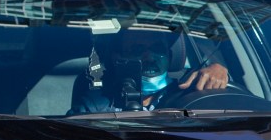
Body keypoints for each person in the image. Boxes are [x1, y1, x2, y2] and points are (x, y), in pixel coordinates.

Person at [69, 29, 228, 114]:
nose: (149, 57)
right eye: (137, 49)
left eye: (157, 48)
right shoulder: (97, 104)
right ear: (117, 57)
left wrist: (219, 72)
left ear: (169, 55)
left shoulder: (192, 93)